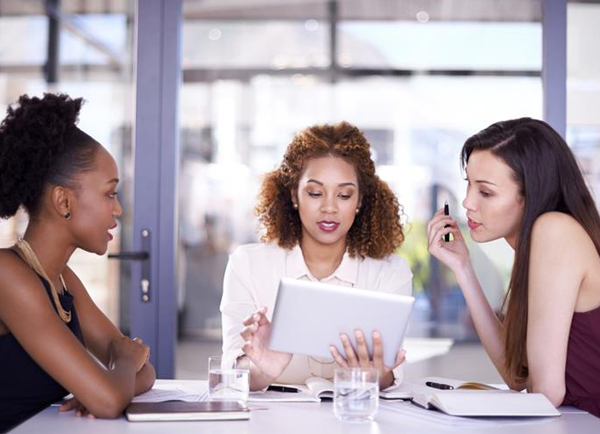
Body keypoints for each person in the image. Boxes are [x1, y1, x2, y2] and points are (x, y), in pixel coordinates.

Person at [0, 94, 156, 431]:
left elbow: (144, 373)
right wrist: (115, 379)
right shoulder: (8, 275)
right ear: (63, 200)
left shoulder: (60, 278)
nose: (118, 210)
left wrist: (115, 381)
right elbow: (110, 397)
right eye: (109, 193)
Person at [220, 121, 412, 391]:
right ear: (294, 195)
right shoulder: (248, 265)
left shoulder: (390, 273)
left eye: (344, 195)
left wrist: (375, 376)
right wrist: (261, 369)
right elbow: (234, 371)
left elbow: (388, 372)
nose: (329, 207)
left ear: (359, 202)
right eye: (315, 193)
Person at [427, 118, 600, 417]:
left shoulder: (554, 230)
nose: (467, 202)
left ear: (530, 194)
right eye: (469, 184)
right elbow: (516, 375)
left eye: (486, 192)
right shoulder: (535, 246)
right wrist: (463, 268)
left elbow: (546, 392)